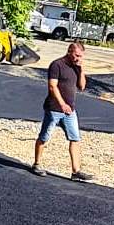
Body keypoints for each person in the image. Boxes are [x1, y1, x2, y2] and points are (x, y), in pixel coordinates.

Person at [32, 41, 91, 181]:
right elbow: (52, 86)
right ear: (69, 52)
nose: (78, 58)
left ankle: (76, 171)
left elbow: (82, 87)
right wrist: (62, 104)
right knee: (44, 137)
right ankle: (36, 164)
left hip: (70, 111)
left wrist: (81, 69)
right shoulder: (57, 65)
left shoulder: (77, 67)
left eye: (81, 56)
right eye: (77, 55)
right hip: (54, 108)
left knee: (75, 138)